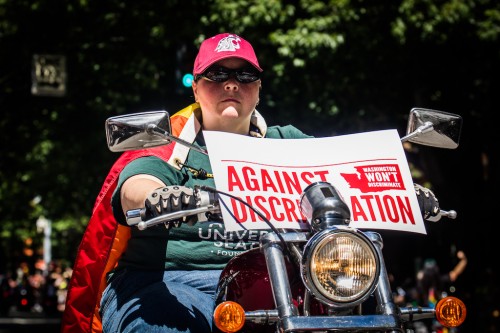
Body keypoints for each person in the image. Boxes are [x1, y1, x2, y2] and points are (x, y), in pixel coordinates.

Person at [61, 32, 441, 333]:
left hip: (276, 283)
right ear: (195, 87)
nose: (232, 84)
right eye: (217, 74)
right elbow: (136, 182)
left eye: (245, 75)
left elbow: (342, 172)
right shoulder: (171, 146)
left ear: (258, 89)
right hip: (172, 282)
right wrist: (162, 198)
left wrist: (403, 191)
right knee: (158, 323)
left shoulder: (287, 141)